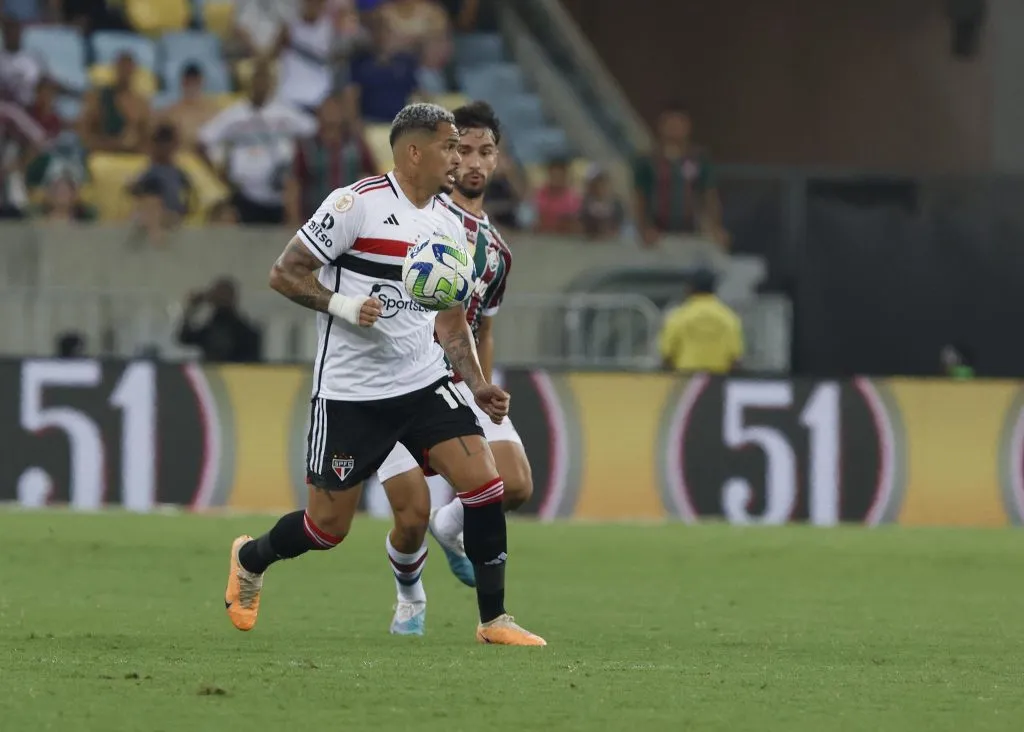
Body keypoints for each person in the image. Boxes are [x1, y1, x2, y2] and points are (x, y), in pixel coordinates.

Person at [223, 102, 545, 646]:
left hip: (422, 384)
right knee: (326, 529)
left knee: (486, 487)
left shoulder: (447, 223)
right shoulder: (355, 205)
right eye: (449, 146)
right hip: (352, 394)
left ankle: (494, 620)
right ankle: (250, 558)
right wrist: (346, 306)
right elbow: (284, 275)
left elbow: (450, 320)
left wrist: (476, 383)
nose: (457, 156)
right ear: (414, 152)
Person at [373, 101, 531, 635]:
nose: (474, 162)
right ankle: (409, 594)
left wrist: (481, 389)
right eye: (463, 149)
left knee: (515, 484)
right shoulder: (412, 215)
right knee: (409, 516)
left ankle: (453, 523)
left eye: (486, 152)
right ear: (444, 152)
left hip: (458, 381)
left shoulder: (497, 252)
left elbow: (482, 325)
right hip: (396, 380)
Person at [634, 104, 727, 248]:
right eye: (670, 124)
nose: (674, 129)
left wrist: (716, 227)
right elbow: (639, 198)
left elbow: (710, 195)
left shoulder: (699, 159)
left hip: (692, 232)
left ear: (688, 126)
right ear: (661, 126)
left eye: (679, 124)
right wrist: (644, 228)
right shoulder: (647, 161)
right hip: (657, 233)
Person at [659, 268, 743, 374]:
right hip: (718, 379)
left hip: (685, 380)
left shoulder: (678, 316)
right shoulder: (728, 317)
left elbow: (667, 355)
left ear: (689, 288)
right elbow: (735, 358)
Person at [178, 277, 262, 362]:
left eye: (222, 294)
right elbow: (185, 337)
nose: (219, 297)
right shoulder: (210, 329)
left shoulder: (245, 333)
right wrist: (191, 309)